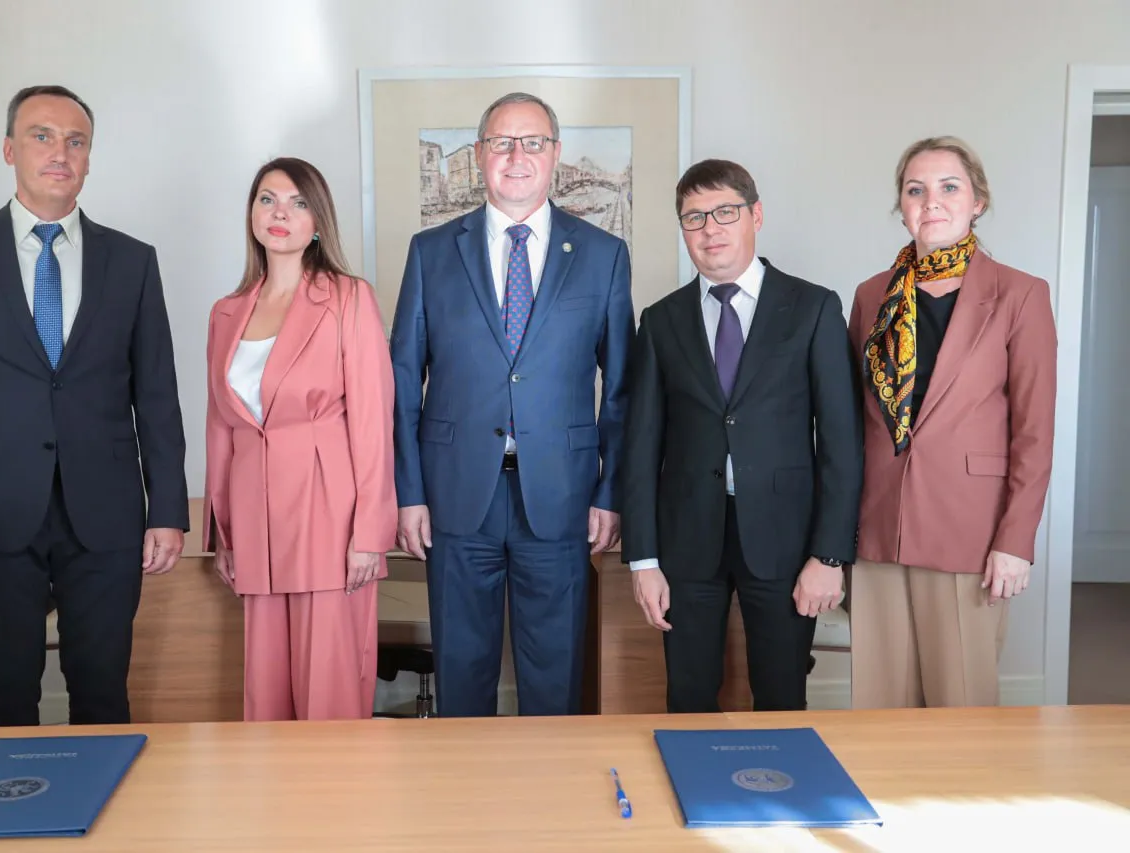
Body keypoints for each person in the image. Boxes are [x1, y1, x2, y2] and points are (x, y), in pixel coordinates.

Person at [0, 85, 189, 727]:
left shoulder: (132, 261)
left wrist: (168, 509)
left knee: (104, 697)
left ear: (88, 158)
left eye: (75, 141)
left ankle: (105, 798)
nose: (60, 152)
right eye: (42, 136)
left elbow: (157, 393)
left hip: (107, 513)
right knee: (5, 698)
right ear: (10, 149)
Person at [391, 92, 634, 717]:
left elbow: (621, 390)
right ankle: (465, 783)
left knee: (555, 679)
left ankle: (549, 784)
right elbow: (402, 381)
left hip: (562, 496)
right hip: (454, 496)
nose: (516, 156)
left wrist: (610, 492)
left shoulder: (603, 255)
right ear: (480, 154)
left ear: (555, 153)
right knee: (461, 675)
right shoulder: (430, 252)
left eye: (532, 142)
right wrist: (409, 493)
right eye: (501, 143)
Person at [620, 159, 863, 713]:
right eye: (694, 218)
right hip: (686, 542)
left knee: (780, 694)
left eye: (725, 212)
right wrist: (643, 560)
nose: (710, 229)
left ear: (756, 215)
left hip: (785, 539)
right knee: (687, 696)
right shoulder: (660, 320)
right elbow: (641, 447)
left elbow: (841, 443)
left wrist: (829, 556)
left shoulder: (813, 308)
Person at [847, 136, 1057, 708]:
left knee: (961, 707)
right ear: (902, 206)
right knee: (881, 705)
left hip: (971, 530)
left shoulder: (1020, 294)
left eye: (948, 187)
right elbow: (851, 422)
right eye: (915, 190)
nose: (931, 201)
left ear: (977, 201)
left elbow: (1035, 433)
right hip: (880, 523)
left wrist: (1016, 541)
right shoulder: (871, 296)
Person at [203, 157, 396, 721]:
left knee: (328, 689)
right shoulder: (226, 312)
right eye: (267, 199)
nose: (280, 213)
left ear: (318, 221)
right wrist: (224, 534)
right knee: (265, 694)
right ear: (252, 214)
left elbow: (372, 419)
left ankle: (335, 785)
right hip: (255, 518)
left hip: (328, 514)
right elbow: (221, 428)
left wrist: (370, 533)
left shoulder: (348, 297)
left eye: (298, 202)